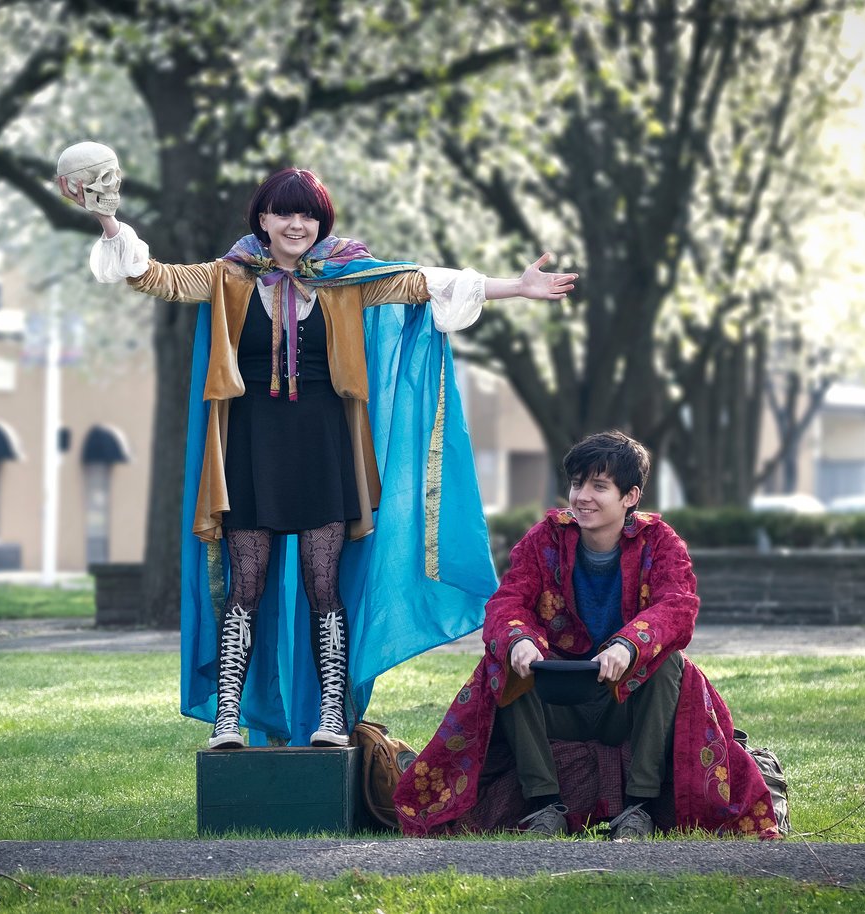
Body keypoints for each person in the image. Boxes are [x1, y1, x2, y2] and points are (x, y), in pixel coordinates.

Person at [68, 165, 577, 750]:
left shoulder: (346, 278)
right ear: (262, 219)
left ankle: (331, 717)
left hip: (325, 449)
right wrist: (107, 216)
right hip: (248, 449)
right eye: (285, 212)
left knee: (323, 585)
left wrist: (517, 287)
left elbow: (423, 283)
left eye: (308, 214)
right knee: (246, 585)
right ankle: (228, 719)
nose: (297, 224)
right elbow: (153, 277)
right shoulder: (228, 276)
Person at [394, 431, 781, 840]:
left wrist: (628, 645)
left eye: (599, 486)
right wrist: (520, 640)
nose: (582, 497)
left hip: (626, 700)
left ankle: (639, 808)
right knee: (503, 662)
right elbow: (508, 602)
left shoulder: (661, 543)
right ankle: (545, 807)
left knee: (670, 663)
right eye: (577, 483)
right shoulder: (544, 538)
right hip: (559, 696)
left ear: (630, 496)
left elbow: (678, 608)